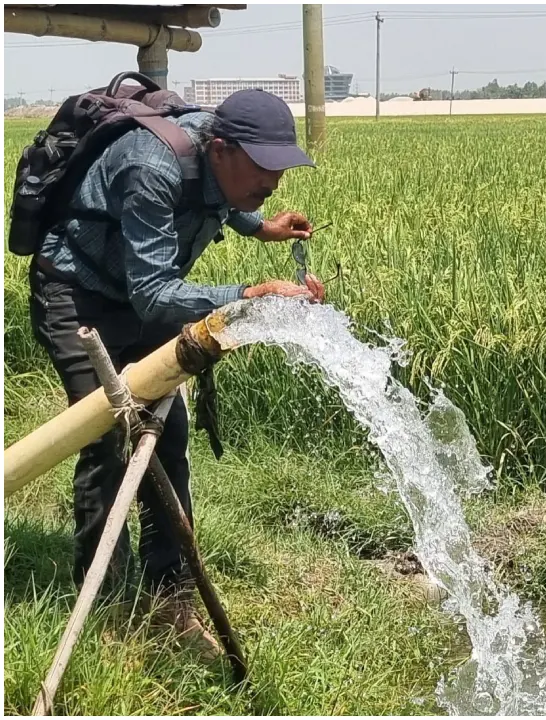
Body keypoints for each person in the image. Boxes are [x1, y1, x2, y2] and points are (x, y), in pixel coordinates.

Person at [28, 88, 326, 654]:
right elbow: (156, 294)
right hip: (79, 296)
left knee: (168, 438)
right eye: (263, 166)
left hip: (138, 293)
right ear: (220, 148)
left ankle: (172, 596)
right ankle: (108, 603)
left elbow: (222, 199)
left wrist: (261, 227)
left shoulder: (220, 165)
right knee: (106, 438)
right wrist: (248, 293)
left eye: (281, 167)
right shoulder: (150, 167)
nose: (274, 179)